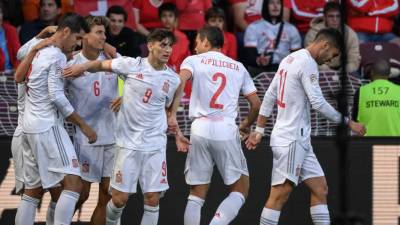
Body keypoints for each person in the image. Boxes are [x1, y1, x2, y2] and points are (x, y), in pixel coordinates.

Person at [63, 28, 190, 225]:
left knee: (153, 199)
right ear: (150, 46)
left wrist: (177, 130)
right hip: (127, 144)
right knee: (119, 200)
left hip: (155, 145)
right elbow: (101, 65)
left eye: (170, 46)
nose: (168, 50)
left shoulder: (172, 79)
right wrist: (83, 67)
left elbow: (169, 108)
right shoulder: (132, 65)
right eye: (163, 45)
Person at [245, 28, 366, 225]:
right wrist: (349, 122)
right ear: (325, 45)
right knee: (279, 194)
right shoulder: (307, 63)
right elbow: (317, 103)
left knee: (320, 188)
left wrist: (259, 131)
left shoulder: (289, 59)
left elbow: (269, 96)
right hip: (292, 138)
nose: (330, 60)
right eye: (332, 55)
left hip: (298, 139)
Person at [168, 26, 262, 225]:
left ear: (205, 42)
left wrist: (172, 114)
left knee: (196, 194)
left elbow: (179, 81)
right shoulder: (238, 67)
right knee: (240, 190)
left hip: (199, 128)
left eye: (196, 43)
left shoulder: (192, 61)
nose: (194, 48)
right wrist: (245, 126)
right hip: (226, 128)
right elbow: (256, 105)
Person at [15, 14, 96, 225]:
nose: (77, 44)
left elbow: (19, 64)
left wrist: (39, 39)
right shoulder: (57, 56)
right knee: (74, 184)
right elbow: (56, 96)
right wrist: (83, 125)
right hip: (47, 126)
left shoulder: (39, 50)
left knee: (32, 190)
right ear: (66, 31)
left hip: (27, 127)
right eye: (77, 38)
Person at [65, 15, 121, 225]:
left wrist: (124, 96)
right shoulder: (71, 64)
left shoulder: (114, 60)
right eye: (98, 32)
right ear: (84, 36)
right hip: (86, 137)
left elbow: (133, 81)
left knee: (107, 195)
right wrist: (79, 124)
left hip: (113, 135)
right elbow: (58, 98)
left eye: (104, 33)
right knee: (81, 194)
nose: (103, 36)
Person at [13, 26, 60, 225]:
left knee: (36, 193)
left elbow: (22, 52)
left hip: (31, 134)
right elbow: (21, 52)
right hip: (32, 133)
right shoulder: (33, 67)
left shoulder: (36, 64)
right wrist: (41, 36)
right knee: (37, 192)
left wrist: (39, 38)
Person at [244, 0, 301, 74]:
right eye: (271, 3)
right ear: (265, 6)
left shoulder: (291, 29)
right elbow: (249, 54)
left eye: (278, 3)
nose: (275, 6)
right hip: (261, 70)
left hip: (285, 70)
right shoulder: (253, 27)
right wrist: (258, 60)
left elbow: (297, 56)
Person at [305, 2, 360, 73]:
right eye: (331, 16)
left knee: (358, 80)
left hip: (344, 70)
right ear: (324, 17)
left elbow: (354, 59)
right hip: (320, 69)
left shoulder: (350, 33)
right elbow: (312, 58)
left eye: (338, 16)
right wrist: (329, 72)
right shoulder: (313, 33)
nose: (335, 19)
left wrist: (342, 72)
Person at [353, 59, 400, 136]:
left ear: (372, 72)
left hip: (368, 144)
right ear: (389, 74)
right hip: (395, 143)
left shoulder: (361, 91)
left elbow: (355, 121)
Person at [0, 6, 20, 71]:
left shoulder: (11, 30)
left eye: (0, 12)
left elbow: (19, 55)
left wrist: (16, 69)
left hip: (11, 75)